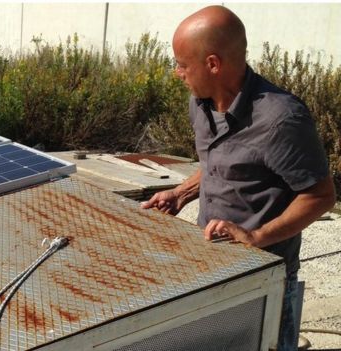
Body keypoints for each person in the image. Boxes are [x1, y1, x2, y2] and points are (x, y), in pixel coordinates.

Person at [141, 5, 337, 351]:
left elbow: (320, 195)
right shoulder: (200, 103)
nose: (177, 73)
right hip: (210, 264)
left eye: (183, 64)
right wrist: (182, 193)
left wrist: (256, 236)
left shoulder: (280, 119)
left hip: (265, 278)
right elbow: (221, 163)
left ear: (213, 64)